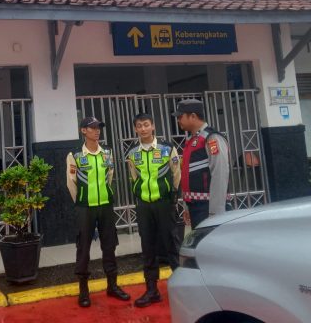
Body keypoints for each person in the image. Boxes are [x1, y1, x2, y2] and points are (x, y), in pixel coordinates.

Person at [66, 116, 131, 308]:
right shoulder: (75, 155)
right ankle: (83, 291)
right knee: (83, 248)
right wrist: (81, 201)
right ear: (83, 130)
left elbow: (110, 176)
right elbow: (71, 183)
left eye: (98, 127)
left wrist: (104, 196)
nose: (97, 131)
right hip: (85, 207)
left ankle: (112, 286)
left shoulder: (107, 153)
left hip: (105, 206)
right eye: (92, 127)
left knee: (109, 246)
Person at [126, 113, 181, 308]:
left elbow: (176, 173)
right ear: (135, 129)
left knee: (171, 243)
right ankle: (152, 290)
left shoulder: (167, 148)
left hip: (164, 203)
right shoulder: (133, 153)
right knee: (148, 247)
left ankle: (182, 286)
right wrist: (139, 193)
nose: (143, 129)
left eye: (146, 125)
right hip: (144, 205)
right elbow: (133, 176)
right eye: (139, 126)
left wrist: (172, 195)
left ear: (153, 126)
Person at [173, 99, 230, 228]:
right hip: (196, 207)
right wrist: (187, 206)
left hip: (208, 208)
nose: (178, 120)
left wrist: (216, 212)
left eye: (181, 116)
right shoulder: (192, 140)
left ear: (193, 116)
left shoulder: (212, 138)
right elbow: (188, 175)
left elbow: (220, 174)